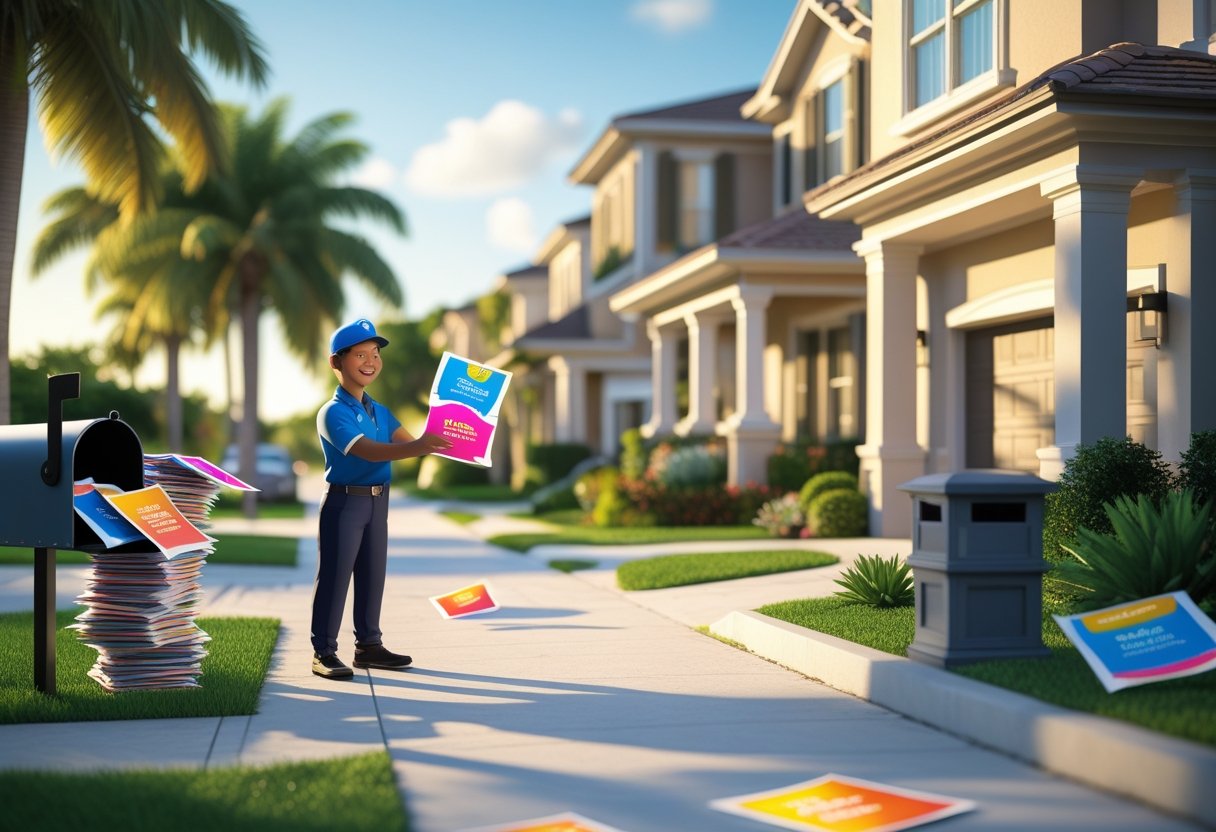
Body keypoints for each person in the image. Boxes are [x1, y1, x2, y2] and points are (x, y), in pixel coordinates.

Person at [311, 318, 453, 679]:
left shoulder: (380, 410)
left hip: (378, 503)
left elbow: (410, 443)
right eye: (360, 354)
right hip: (345, 503)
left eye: (375, 354)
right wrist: (420, 445)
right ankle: (323, 653)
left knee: (373, 576)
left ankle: (369, 646)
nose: (370, 361)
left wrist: (454, 430)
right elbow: (369, 452)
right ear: (336, 362)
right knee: (336, 578)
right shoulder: (333, 412)